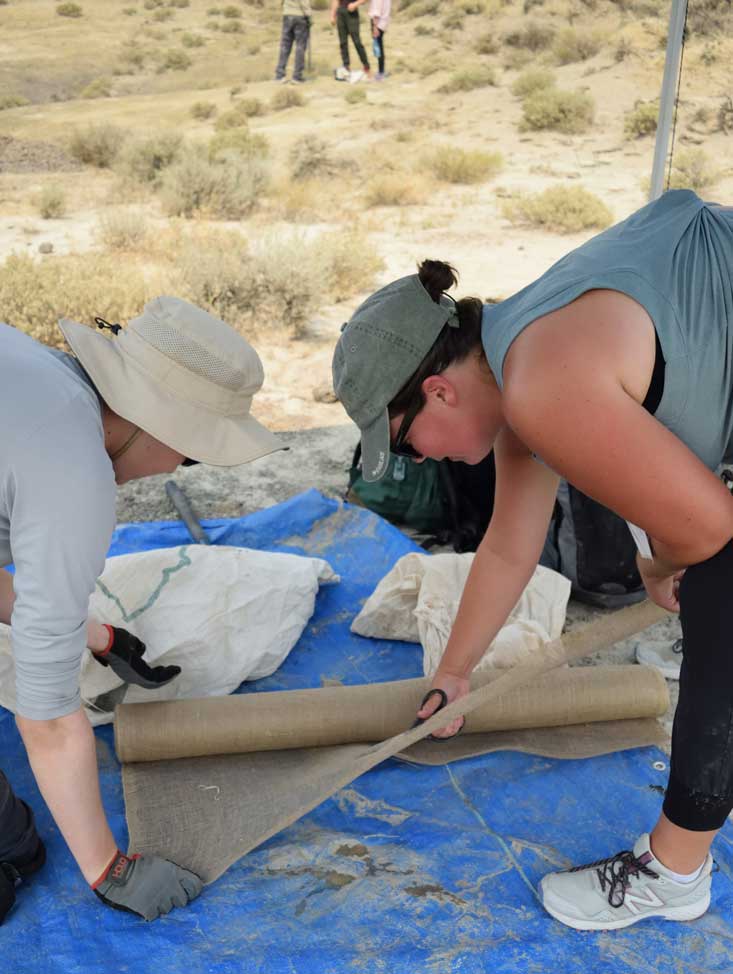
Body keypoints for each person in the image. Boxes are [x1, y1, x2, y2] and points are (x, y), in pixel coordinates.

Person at [332, 189, 733, 932]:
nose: (421, 458)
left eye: (407, 440)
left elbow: (709, 531)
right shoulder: (521, 347)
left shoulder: (541, 386)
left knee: (721, 594)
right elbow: (509, 546)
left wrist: (661, 560)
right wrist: (453, 675)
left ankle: (675, 871)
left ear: (438, 390)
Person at [0, 296, 283, 925]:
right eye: (188, 455)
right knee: (11, 857)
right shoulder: (72, 470)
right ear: (160, 427)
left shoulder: (32, 373)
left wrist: (97, 637)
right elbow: (44, 716)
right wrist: (110, 870)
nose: (173, 470)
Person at [330, 0, 370, 82]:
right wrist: (332, 15)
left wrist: (356, 4)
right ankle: (346, 66)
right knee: (343, 42)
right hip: (341, 12)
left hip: (352, 13)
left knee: (357, 41)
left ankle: (366, 66)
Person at [274, 0, 312, 85]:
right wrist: (309, 15)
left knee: (285, 46)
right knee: (300, 46)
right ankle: (297, 76)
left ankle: (279, 75)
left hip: (287, 14)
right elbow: (304, 2)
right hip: (299, 16)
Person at [368, 0, 390, 80]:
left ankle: (381, 72)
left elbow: (377, 11)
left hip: (378, 23)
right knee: (380, 46)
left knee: (378, 47)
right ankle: (382, 70)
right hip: (383, 22)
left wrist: (375, 26)